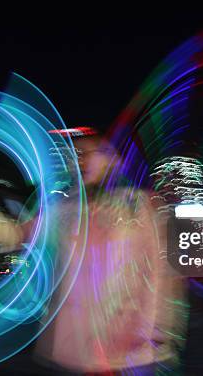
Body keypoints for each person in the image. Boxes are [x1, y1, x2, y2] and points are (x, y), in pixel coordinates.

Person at [34, 130, 187, 375]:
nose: (80, 161)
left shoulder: (138, 205)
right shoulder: (66, 210)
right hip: (79, 348)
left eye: (88, 153)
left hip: (132, 349)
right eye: (76, 155)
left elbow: (160, 272)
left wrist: (152, 329)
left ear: (111, 159)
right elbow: (23, 233)